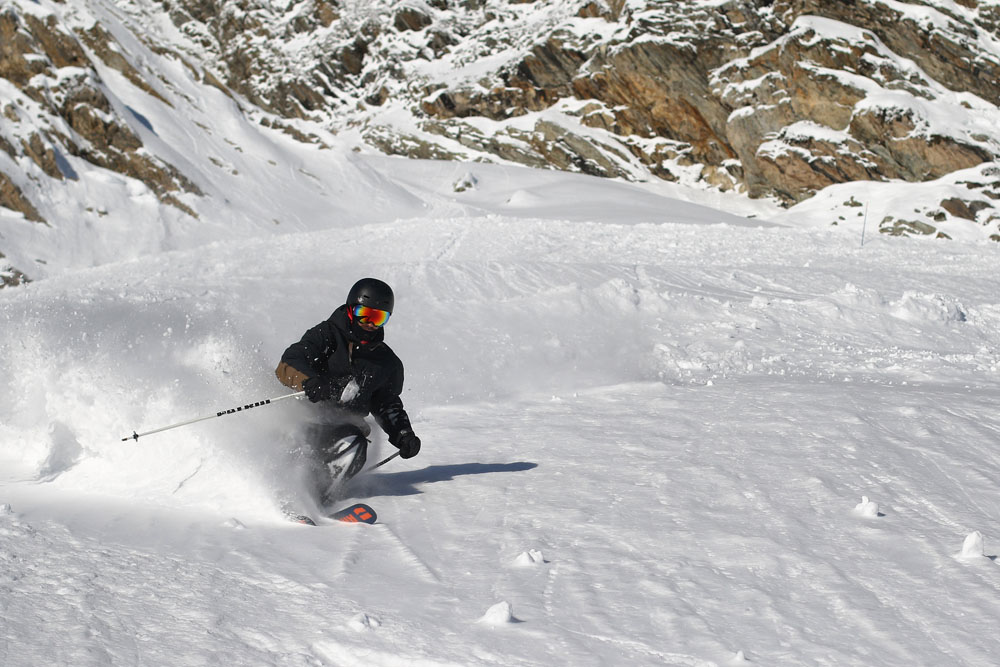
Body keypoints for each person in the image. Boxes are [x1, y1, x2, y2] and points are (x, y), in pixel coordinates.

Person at [275, 278, 421, 494]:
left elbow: (386, 403)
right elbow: (289, 362)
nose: (370, 323)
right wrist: (310, 381)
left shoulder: (386, 362)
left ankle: (315, 495)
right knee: (293, 437)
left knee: (354, 446)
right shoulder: (327, 335)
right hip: (304, 417)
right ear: (352, 309)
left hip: (340, 429)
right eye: (365, 314)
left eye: (379, 317)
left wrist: (403, 434)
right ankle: (280, 483)